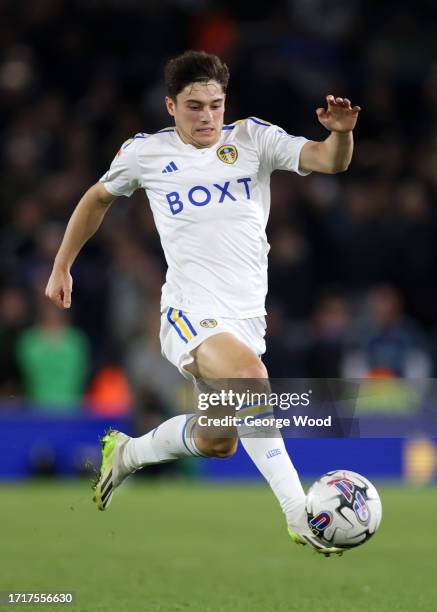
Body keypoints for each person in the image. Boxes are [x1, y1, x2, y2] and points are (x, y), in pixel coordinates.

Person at [46, 50, 361, 556]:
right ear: (171, 106)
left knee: (220, 440)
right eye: (194, 106)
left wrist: (341, 133)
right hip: (189, 311)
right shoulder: (145, 153)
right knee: (252, 379)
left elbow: (329, 160)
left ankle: (127, 453)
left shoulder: (254, 138)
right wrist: (62, 265)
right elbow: (96, 199)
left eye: (215, 104)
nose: (207, 116)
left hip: (246, 319)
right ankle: (298, 514)